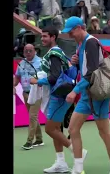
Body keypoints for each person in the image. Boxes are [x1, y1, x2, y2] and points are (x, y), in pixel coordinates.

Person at [61, 16, 110, 174]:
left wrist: (75, 91)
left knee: (104, 132)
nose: (69, 35)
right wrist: (75, 62)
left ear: (80, 27)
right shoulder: (80, 45)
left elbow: (93, 73)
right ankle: (78, 168)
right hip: (87, 94)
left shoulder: (91, 42)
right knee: (73, 129)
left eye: (71, 31)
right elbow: (85, 70)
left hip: (99, 94)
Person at [29, 26, 87, 173]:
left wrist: (37, 81)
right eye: (41, 36)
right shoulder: (56, 52)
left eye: (45, 36)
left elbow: (54, 76)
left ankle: (76, 151)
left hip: (59, 95)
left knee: (50, 128)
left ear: (53, 37)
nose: (42, 39)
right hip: (57, 95)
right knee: (56, 129)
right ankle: (61, 162)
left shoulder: (54, 53)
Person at [13, 44, 44, 150]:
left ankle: (29, 141)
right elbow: (17, 77)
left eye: (30, 50)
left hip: (36, 92)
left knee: (32, 116)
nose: (28, 53)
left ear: (35, 51)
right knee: (33, 117)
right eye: (26, 51)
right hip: (25, 93)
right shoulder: (21, 63)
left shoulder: (40, 62)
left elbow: (46, 76)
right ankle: (39, 139)